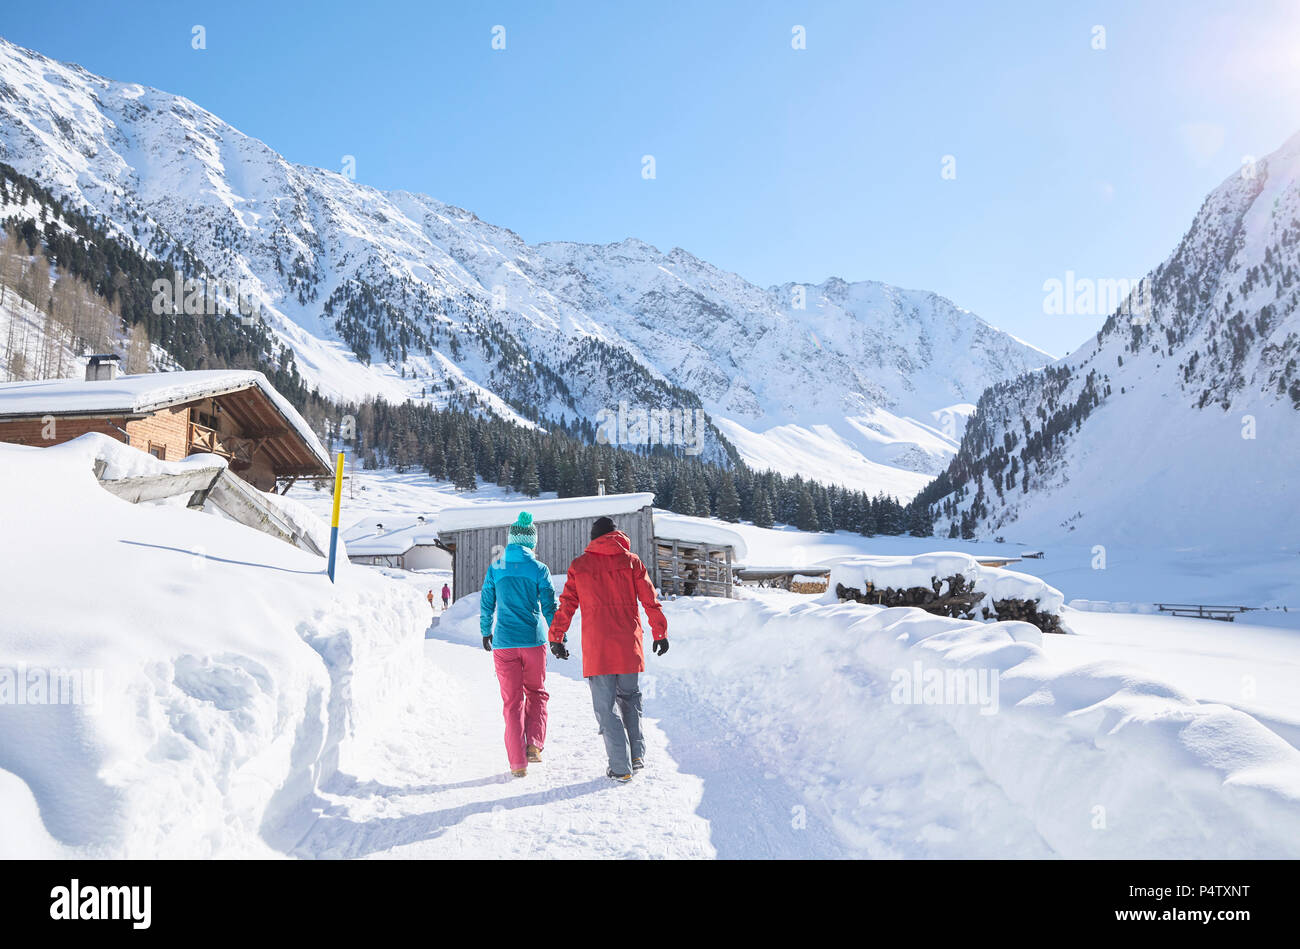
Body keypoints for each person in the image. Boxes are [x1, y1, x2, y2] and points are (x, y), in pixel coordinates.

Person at [548, 516, 668, 782]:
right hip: (628, 645)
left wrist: (556, 636)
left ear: (593, 538)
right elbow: (650, 598)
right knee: (630, 698)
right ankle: (636, 755)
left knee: (606, 709)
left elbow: (567, 603)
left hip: (598, 648)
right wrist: (659, 632)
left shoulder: (580, 565)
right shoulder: (631, 561)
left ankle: (620, 766)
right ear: (617, 535)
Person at [480, 512, 557, 777]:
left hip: (504, 643)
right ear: (531, 543)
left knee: (512, 702)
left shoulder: (496, 566)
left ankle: (517, 764)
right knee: (536, 692)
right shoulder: (539, 569)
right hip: (533, 642)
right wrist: (558, 635)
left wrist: (485, 631)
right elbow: (549, 605)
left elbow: (487, 602)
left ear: (511, 540)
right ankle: (534, 745)